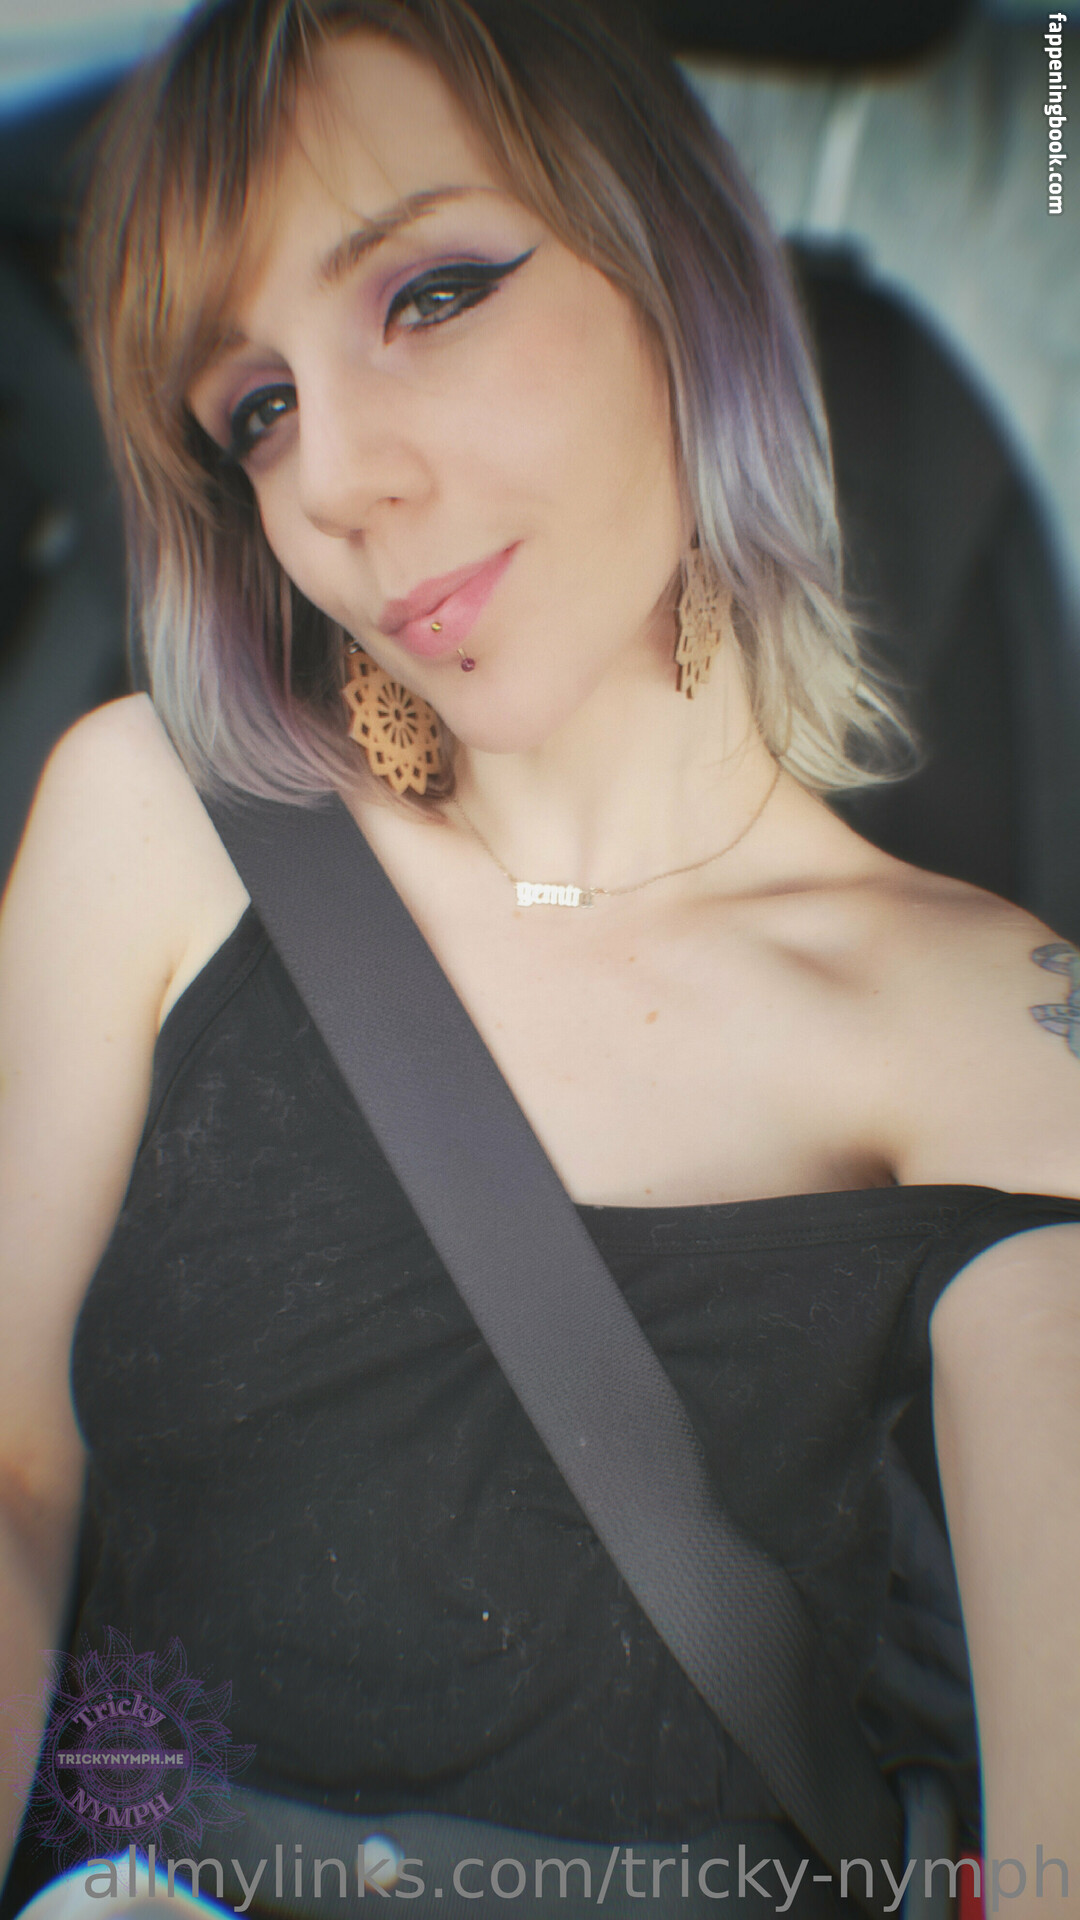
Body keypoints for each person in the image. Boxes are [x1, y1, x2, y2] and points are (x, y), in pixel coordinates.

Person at [1, 0, 1078, 1913]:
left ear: (674, 259)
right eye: (257, 408)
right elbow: (13, 1468)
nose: (334, 480)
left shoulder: (997, 1031)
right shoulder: (152, 822)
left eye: (428, 296)